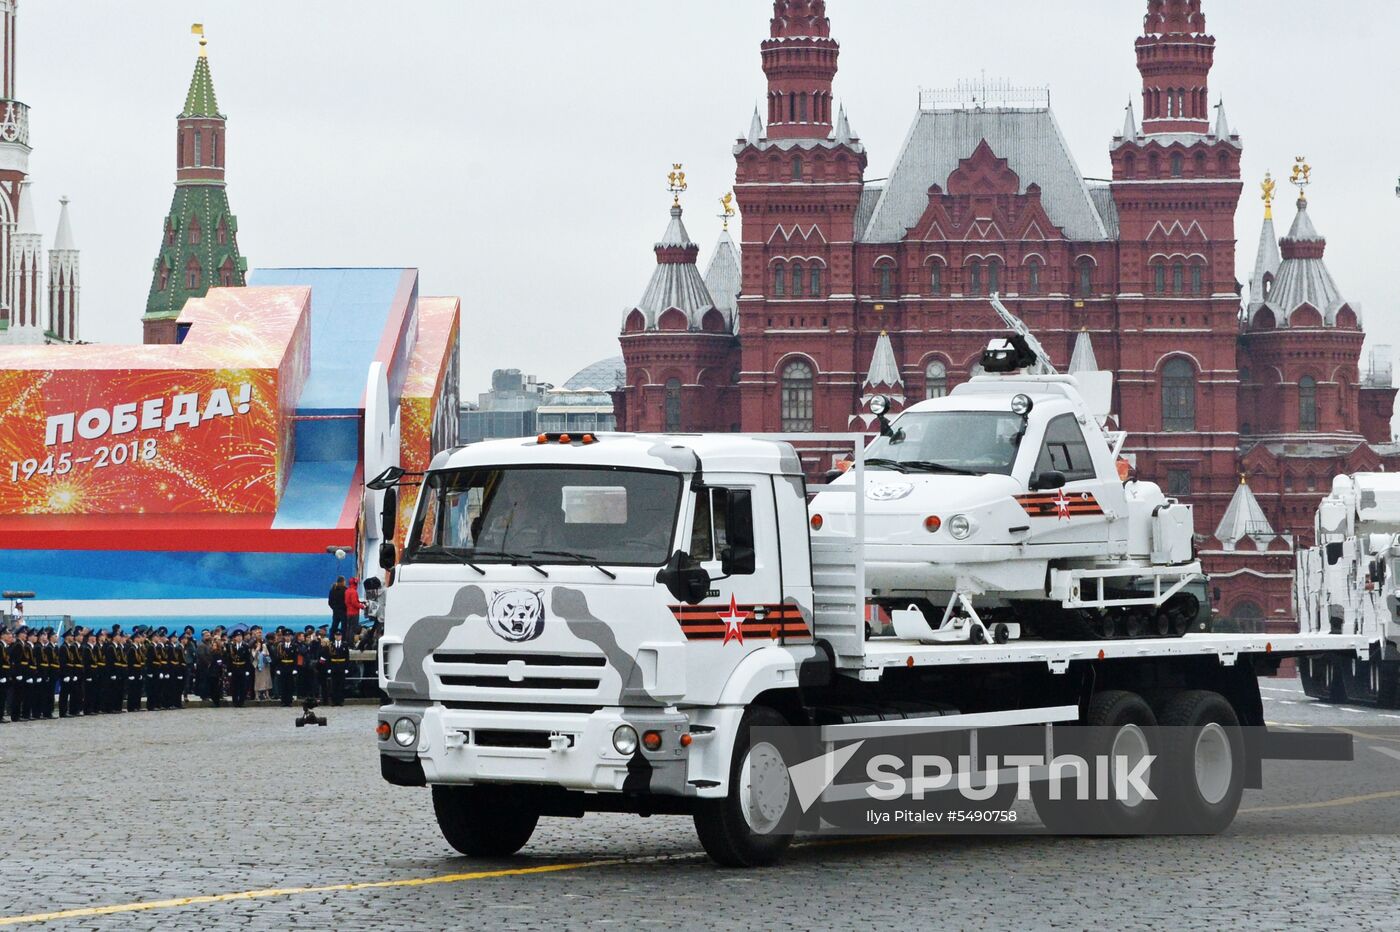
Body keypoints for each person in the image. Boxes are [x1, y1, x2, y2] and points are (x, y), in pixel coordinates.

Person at [325, 630, 351, 706]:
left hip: (342, 666)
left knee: (341, 684)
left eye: (339, 635)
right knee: (334, 684)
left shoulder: (345, 645)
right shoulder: (331, 645)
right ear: (334, 636)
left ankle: (340, 700)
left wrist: (346, 668)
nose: (338, 637)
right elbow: (328, 657)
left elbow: (347, 657)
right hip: (333, 666)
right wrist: (329, 667)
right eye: (336, 635)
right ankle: (334, 700)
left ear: (341, 636)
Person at [274, 630, 298, 706]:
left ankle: (289, 701)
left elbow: (295, 658)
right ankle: (283, 701)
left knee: (290, 685)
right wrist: (278, 669)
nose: (287, 637)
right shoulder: (280, 646)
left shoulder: (294, 646)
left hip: (290, 667)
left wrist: (295, 668)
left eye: (289, 636)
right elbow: (278, 658)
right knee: (283, 685)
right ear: (284, 637)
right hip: (283, 667)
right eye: (286, 636)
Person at [228, 631, 252, 707]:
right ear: (235, 638)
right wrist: (229, 670)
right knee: (234, 686)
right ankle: (235, 701)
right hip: (234, 668)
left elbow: (248, 659)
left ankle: (241, 701)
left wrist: (247, 670)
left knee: (243, 686)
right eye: (237, 636)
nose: (239, 638)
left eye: (240, 636)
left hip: (243, 668)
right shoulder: (231, 646)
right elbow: (229, 660)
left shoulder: (245, 646)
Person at [206, 635, 226, 707]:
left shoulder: (218, 654)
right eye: (213, 645)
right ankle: (214, 700)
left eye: (215, 645)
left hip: (216, 673)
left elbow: (219, 664)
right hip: (211, 672)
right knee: (212, 687)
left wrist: (219, 672)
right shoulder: (211, 653)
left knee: (216, 688)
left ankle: (216, 701)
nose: (213, 646)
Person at [0, 627, 15, 723]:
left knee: (3, 697)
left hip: (5, 675)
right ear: (2, 636)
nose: (8, 635)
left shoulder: (4, 646)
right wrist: (1, 676)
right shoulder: (1, 646)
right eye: (6, 634)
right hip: (2, 675)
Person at [253, 629, 272, 700]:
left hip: (265, 662)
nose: (259, 634)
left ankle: (267, 694)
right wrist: (257, 649)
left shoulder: (264, 642)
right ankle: (257, 695)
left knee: (267, 679)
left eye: (260, 633)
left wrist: (265, 654)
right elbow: (252, 654)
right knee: (258, 680)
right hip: (257, 663)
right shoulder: (253, 642)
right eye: (258, 633)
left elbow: (268, 652)